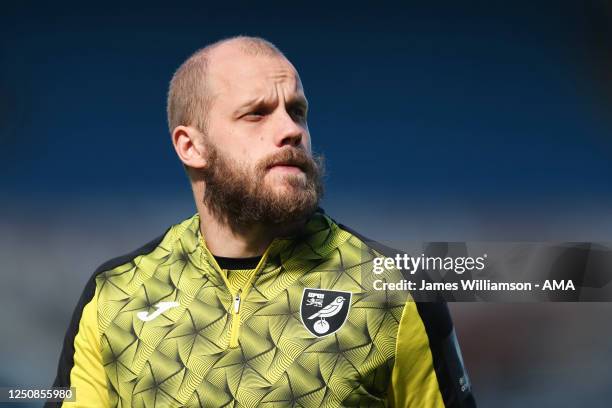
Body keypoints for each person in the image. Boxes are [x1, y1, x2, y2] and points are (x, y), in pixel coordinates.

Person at [47, 36, 476, 408]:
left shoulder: (396, 290)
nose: (290, 130)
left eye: (297, 111)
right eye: (256, 113)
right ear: (190, 146)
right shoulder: (114, 294)